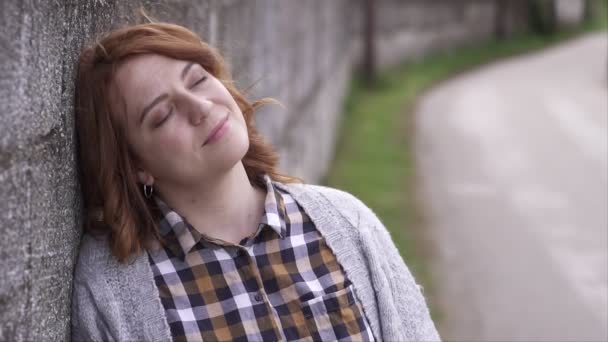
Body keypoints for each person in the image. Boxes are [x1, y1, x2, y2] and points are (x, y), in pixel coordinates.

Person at [71, 20, 440, 342]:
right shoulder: (109, 290)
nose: (200, 108)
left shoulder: (346, 220)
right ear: (136, 165)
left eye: (198, 79)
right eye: (163, 115)